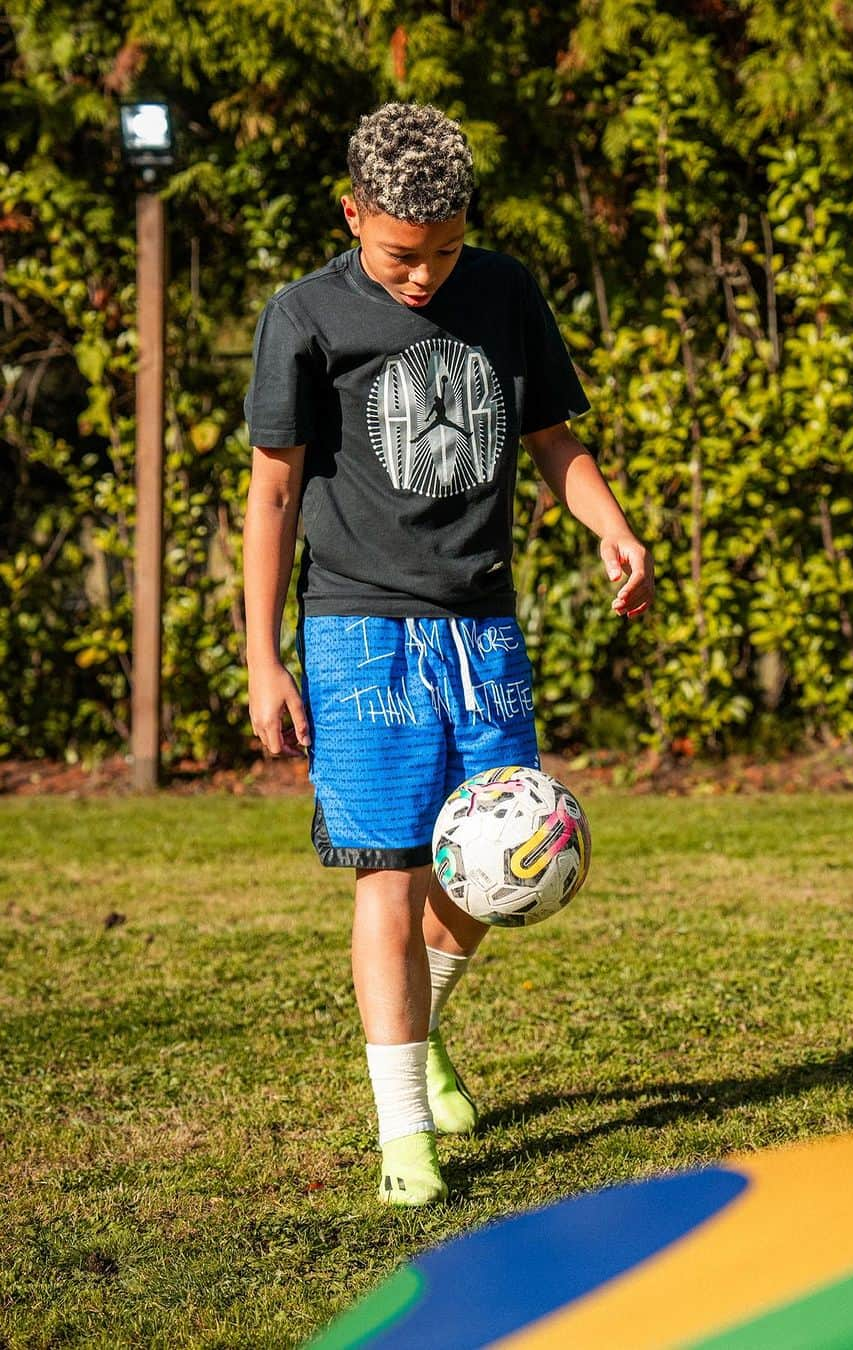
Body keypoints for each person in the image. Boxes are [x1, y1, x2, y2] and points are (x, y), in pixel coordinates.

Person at [243, 102, 653, 1206]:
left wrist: (610, 524)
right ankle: (403, 1134)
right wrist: (261, 656)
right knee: (389, 868)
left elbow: (553, 439)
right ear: (353, 214)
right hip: (355, 633)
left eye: (444, 251)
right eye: (398, 256)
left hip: (483, 627)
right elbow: (274, 490)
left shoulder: (506, 293)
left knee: (495, 871)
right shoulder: (305, 316)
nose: (423, 277)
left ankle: (414, 1035)